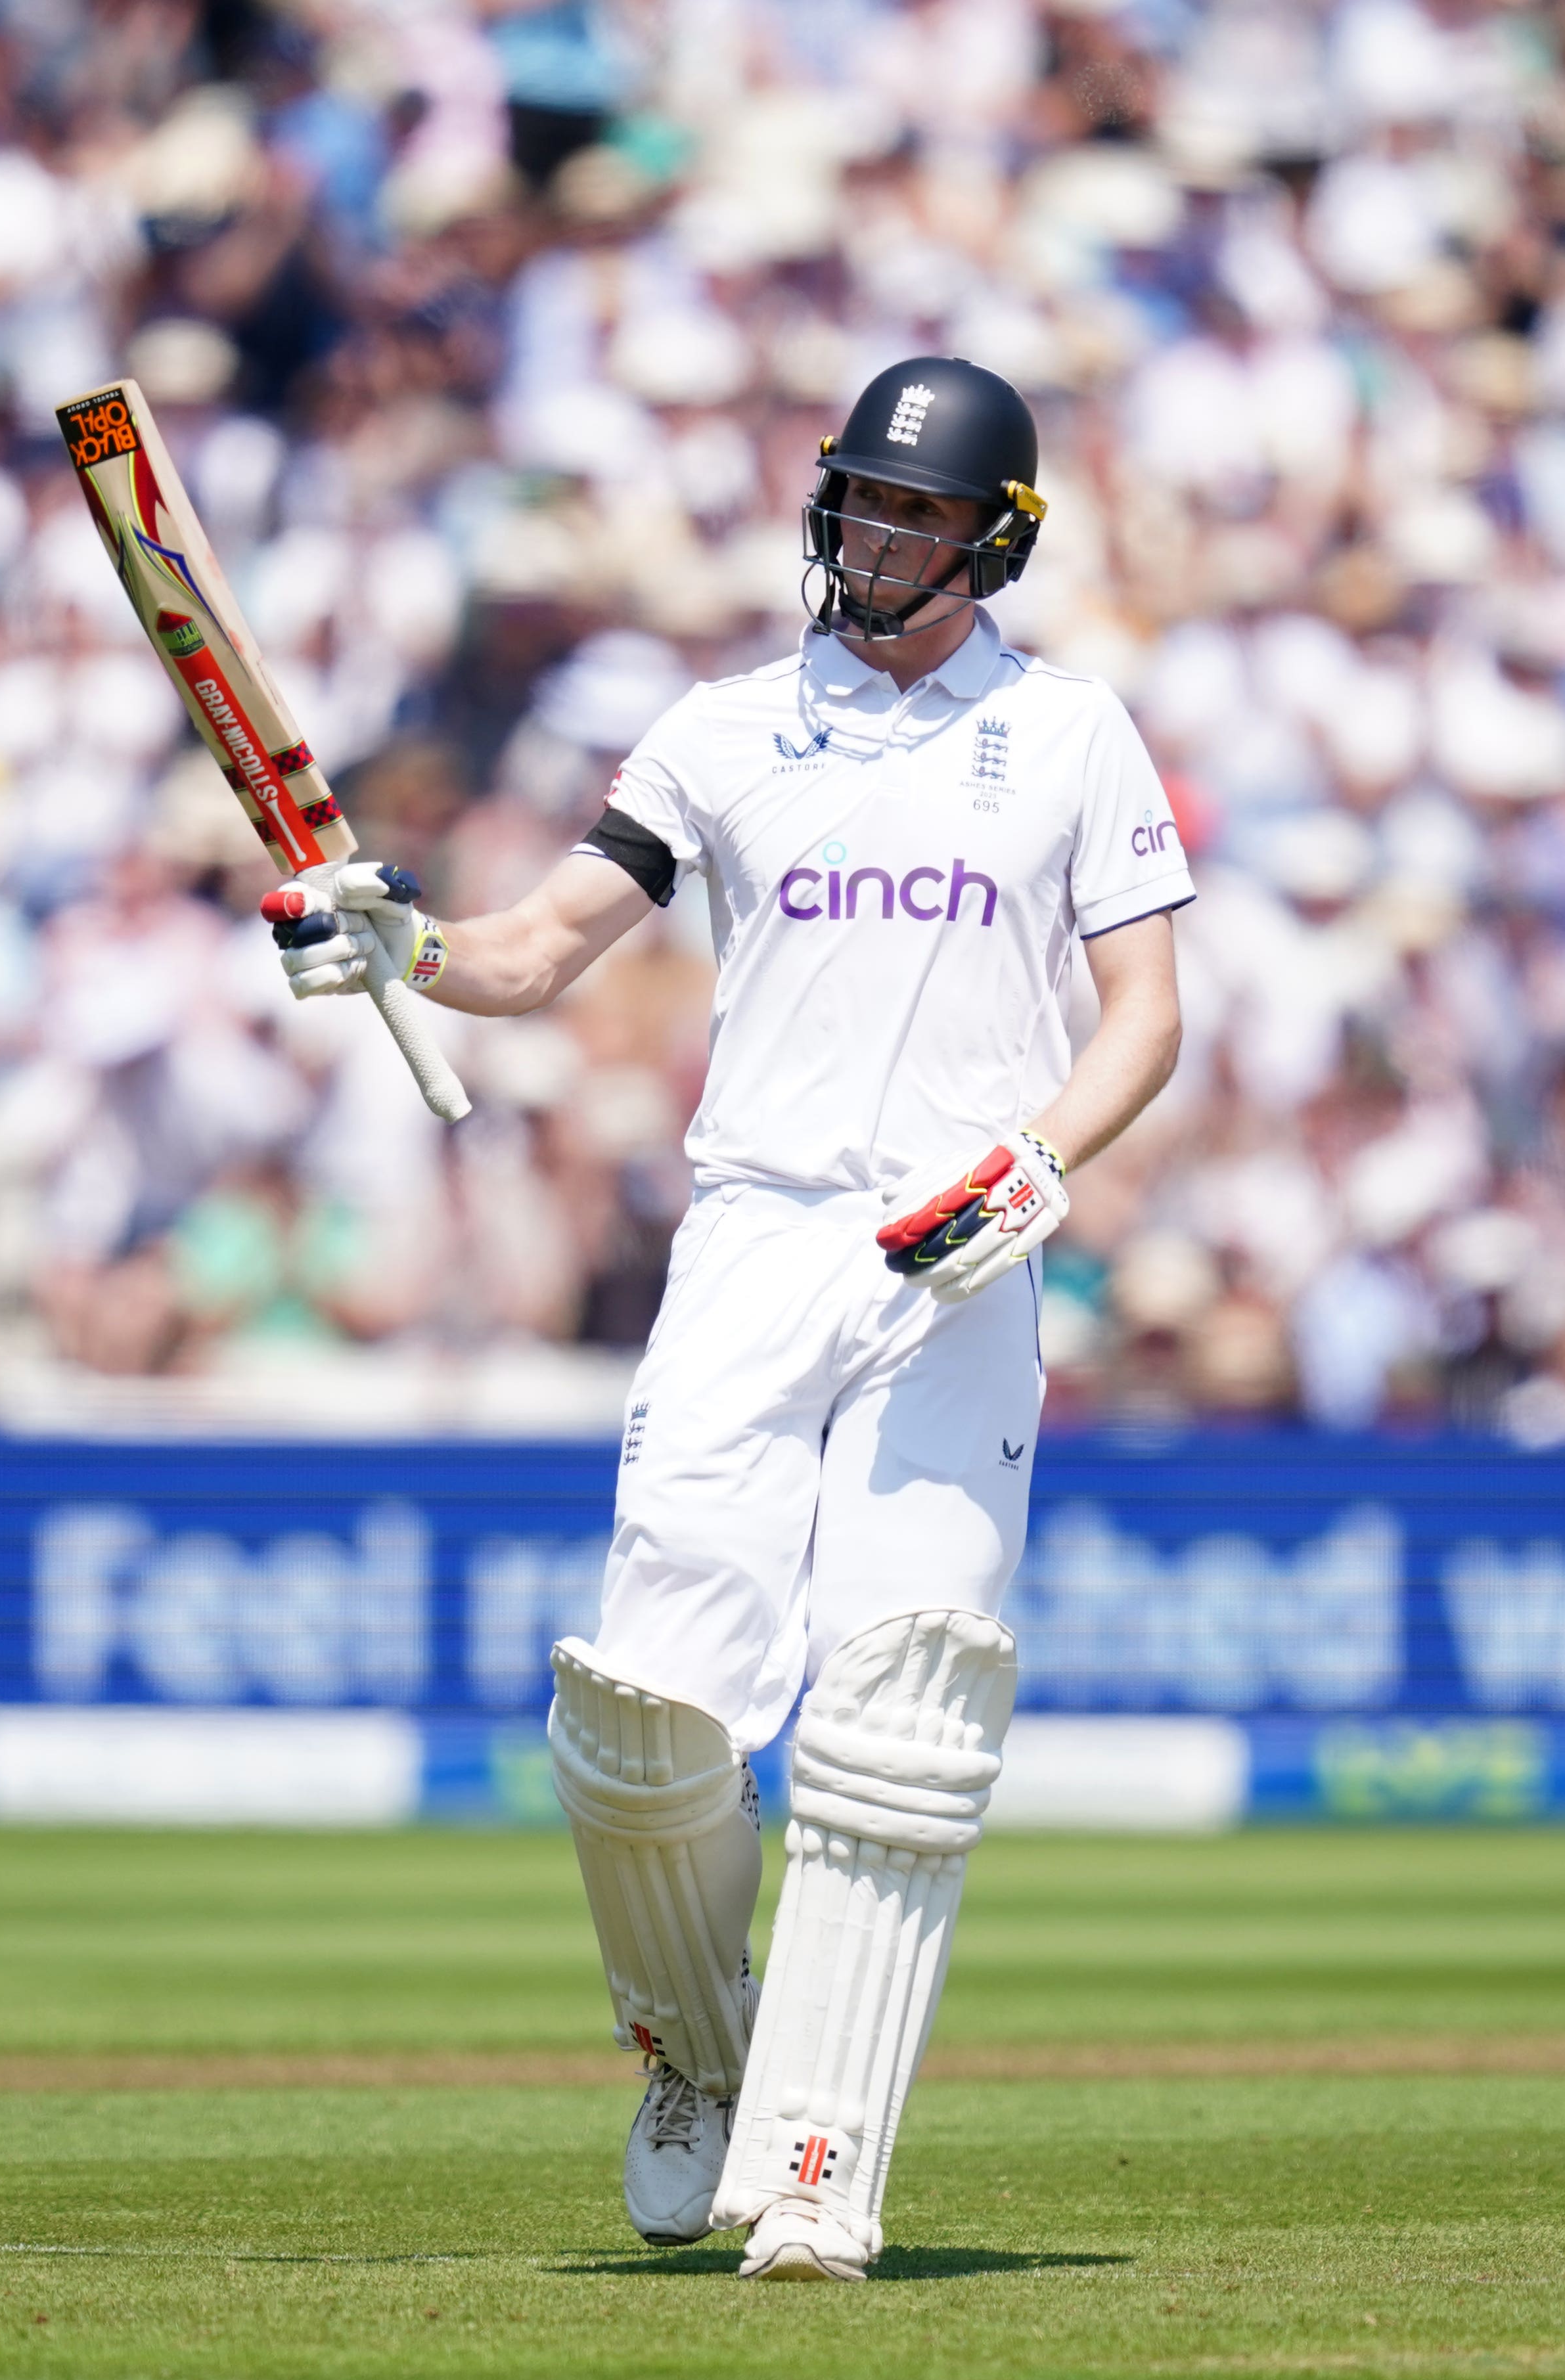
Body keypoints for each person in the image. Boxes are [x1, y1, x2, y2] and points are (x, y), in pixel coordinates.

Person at [268, 359, 1190, 2278]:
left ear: (994, 538)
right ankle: (701, 2058)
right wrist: (400, 939)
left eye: (915, 513)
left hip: (959, 1252)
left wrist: (1032, 1169)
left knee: (899, 1696)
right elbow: (528, 953)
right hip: (757, 1237)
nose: (869, 536)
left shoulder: (1076, 735)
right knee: (641, 1713)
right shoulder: (725, 730)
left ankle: (824, 2163)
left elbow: (1149, 1019)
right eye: (855, 500)